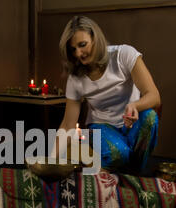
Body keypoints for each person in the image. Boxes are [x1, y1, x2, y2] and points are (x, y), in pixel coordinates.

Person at [54, 16, 161, 173]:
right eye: (73, 49)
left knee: (151, 118)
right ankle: (123, 174)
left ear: (95, 38)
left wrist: (134, 105)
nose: (78, 53)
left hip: (131, 124)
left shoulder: (123, 54)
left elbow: (154, 96)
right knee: (120, 153)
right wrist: (50, 160)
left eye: (82, 45)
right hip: (101, 127)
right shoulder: (75, 78)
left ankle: (129, 174)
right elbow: (68, 125)